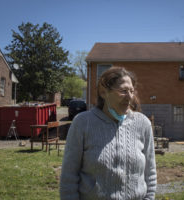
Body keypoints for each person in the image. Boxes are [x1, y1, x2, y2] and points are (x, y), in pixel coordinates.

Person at [60, 67, 157, 200]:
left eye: (132, 91)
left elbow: (150, 173)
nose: (130, 97)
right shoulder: (83, 123)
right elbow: (69, 177)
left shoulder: (143, 123)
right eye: (123, 91)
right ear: (103, 92)